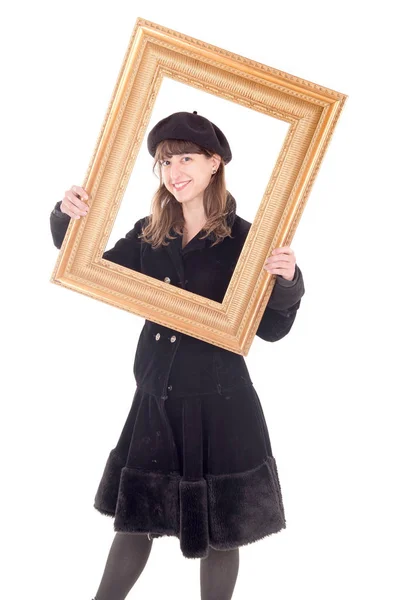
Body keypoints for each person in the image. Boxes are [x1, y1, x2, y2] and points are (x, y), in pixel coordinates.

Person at [50, 111, 305, 600]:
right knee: (133, 522)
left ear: (214, 164)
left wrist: (289, 281)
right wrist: (68, 216)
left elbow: (272, 329)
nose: (174, 171)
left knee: (220, 528)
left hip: (221, 403)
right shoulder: (152, 231)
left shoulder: (249, 240)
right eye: (165, 162)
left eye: (186, 158)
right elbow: (87, 267)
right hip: (156, 398)